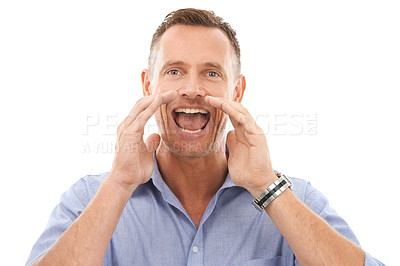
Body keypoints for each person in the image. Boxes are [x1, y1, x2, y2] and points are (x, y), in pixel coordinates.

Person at [26, 8, 383, 266]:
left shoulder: (294, 199)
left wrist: (265, 186)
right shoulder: (89, 198)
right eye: (174, 71)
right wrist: (120, 183)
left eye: (211, 73)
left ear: (236, 91)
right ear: (148, 86)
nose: (192, 89)